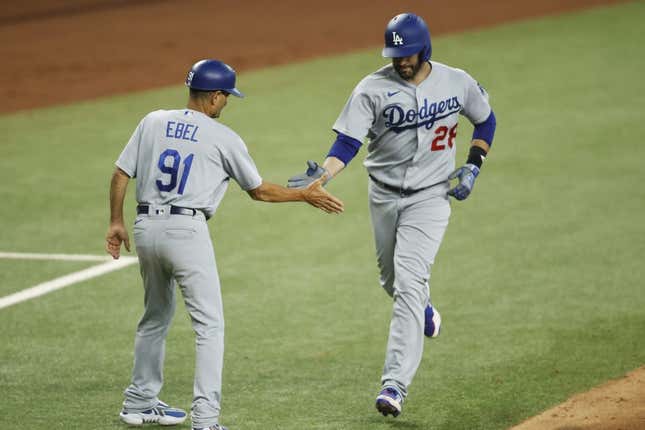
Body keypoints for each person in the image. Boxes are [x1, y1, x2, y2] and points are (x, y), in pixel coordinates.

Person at [105, 59, 344, 430]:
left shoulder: (152, 121)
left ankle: (138, 402)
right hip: (186, 232)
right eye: (227, 96)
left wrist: (116, 222)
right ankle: (205, 420)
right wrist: (303, 195)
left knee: (154, 316)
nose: (227, 103)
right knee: (209, 327)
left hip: (145, 227)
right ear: (214, 96)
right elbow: (259, 191)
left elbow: (121, 173)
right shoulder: (223, 137)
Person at [288, 13, 496, 418]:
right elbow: (348, 141)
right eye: (395, 54)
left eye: (408, 53)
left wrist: (474, 164)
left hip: (431, 198)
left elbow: (486, 118)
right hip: (383, 196)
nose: (401, 60)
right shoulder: (372, 88)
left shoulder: (456, 81)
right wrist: (324, 175)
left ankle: (394, 385)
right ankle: (423, 308)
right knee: (392, 280)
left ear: (425, 49)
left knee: (408, 281)